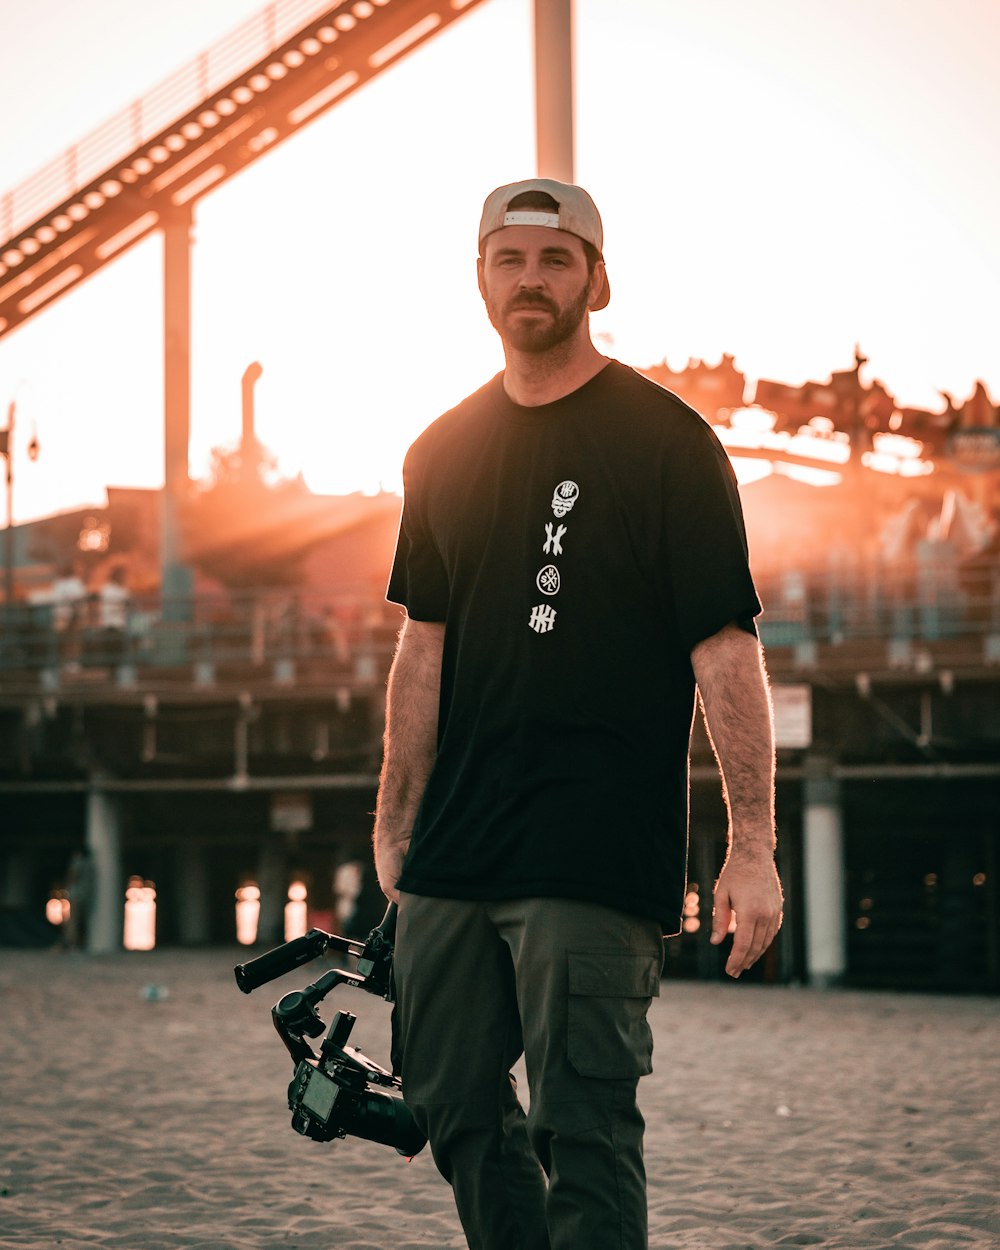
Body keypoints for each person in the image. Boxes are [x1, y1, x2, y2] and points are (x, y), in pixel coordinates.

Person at [373, 178, 783, 1250]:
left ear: (596, 278)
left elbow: (725, 651)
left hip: (594, 845)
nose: (530, 280)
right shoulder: (440, 449)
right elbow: (425, 644)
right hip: (456, 846)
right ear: (479, 279)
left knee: (582, 1123)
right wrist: (393, 819)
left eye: (555, 261)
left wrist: (752, 846)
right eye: (507, 260)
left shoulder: (667, 442)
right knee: (447, 1095)